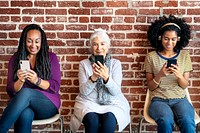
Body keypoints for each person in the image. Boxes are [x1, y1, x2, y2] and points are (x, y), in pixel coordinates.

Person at [0, 24, 61, 133]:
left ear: (41, 42)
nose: (33, 45)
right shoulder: (15, 59)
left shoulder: (51, 57)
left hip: (47, 105)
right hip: (23, 106)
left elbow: (55, 86)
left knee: (26, 92)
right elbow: (10, 90)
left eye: (37, 41)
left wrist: (36, 80)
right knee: (25, 114)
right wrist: (20, 81)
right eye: (29, 41)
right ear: (24, 41)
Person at [70, 29, 130, 133]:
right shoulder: (84, 64)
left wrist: (107, 78)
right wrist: (93, 77)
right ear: (91, 47)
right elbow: (83, 92)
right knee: (92, 121)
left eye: (102, 44)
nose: (99, 48)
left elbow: (116, 92)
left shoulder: (115, 64)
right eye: (95, 44)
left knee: (109, 121)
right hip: (89, 102)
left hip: (112, 103)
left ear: (108, 46)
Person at [144, 15, 195, 133]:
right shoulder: (151, 57)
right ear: (160, 38)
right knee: (166, 120)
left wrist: (179, 75)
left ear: (178, 39)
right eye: (166, 38)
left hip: (180, 99)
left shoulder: (184, 56)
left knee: (187, 121)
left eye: (173, 39)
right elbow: (150, 86)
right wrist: (160, 74)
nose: (169, 43)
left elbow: (184, 85)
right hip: (159, 100)